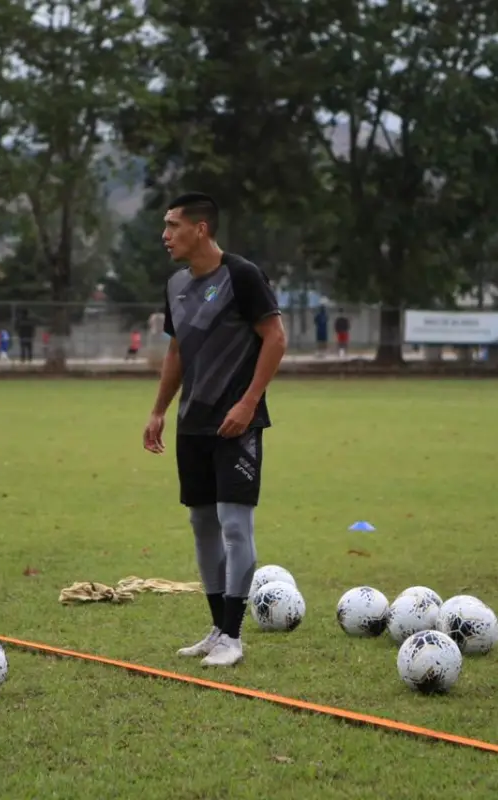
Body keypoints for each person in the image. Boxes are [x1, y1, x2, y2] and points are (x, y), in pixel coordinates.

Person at [143, 192, 288, 668]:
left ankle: (233, 635)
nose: (165, 235)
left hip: (236, 423)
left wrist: (248, 403)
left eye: (173, 225)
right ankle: (216, 629)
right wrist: (160, 409)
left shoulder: (242, 276)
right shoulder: (176, 285)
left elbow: (276, 338)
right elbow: (177, 352)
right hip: (193, 424)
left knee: (233, 523)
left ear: (200, 228)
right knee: (201, 523)